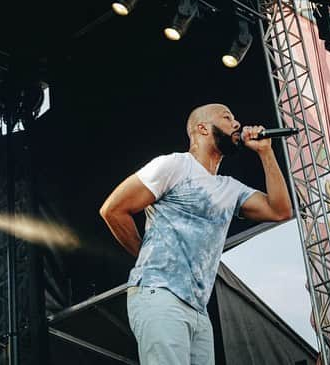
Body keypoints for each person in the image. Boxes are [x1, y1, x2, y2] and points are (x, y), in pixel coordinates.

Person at [99, 103, 292, 365]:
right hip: (160, 294)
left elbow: (280, 210)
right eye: (227, 118)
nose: (236, 124)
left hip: (199, 310)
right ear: (202, 128)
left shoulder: (229, 188)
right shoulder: (174, 165)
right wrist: (144, 256)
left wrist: (266, 153)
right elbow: (113, 210)